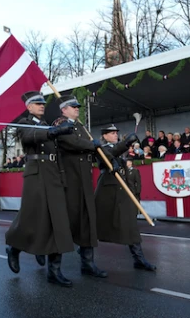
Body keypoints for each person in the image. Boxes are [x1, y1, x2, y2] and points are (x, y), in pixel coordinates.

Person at [4, 91, 76, 287]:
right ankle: (14, 248)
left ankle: (54, 271)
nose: (42, 106)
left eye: (43, 103)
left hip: (53, 174)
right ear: (28, 106)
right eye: (37, 103)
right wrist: (52, 132)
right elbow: (29, 136)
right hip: (36, 174)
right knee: (32, 217)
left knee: (58, 220)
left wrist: (63, 131)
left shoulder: (46, 124)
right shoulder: (24, 123)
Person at [53, 94, 107, 279]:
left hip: (84, 179)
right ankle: (54, 266)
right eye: (73, 107)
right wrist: (91, 145)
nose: (77, 109)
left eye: (78, 107)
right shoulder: (60, 124)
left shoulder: (81, 126)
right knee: (65, 221)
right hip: (70, 179)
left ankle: (88, 263)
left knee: (87, 221)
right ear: (64, 109)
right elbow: (71, 142)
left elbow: (89, 147)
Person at [94, 124, 156, 272]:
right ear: (104, 136)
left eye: (116, 133)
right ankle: (85, 256)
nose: (115, 135)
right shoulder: (100, 148)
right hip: (107, 191)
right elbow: (108, 156)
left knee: (130, 225)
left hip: (123, 191)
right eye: (112, 133)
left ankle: (139, 259)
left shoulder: (119, 149)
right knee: (95, 223)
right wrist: (126, 143)